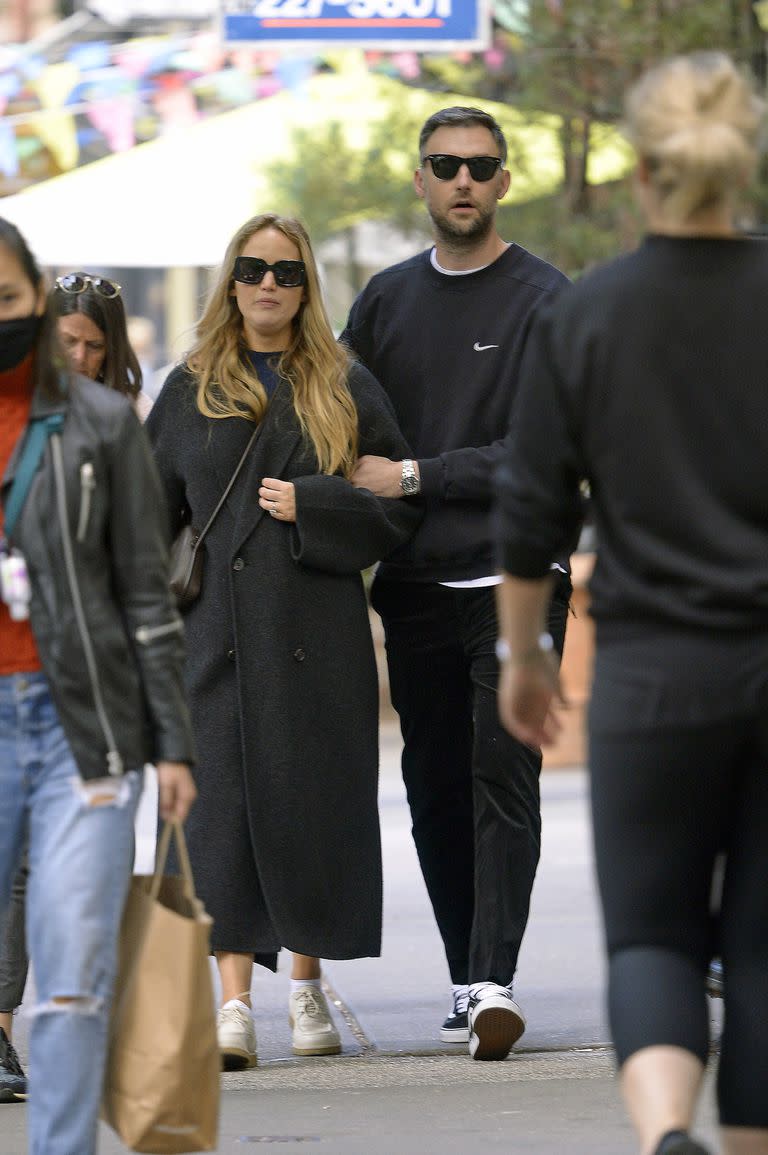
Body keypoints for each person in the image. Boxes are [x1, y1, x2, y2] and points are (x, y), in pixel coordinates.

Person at [495, 53, 768, 1155]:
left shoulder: (590, 314)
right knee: (761, 948)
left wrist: (525, 657)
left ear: (643, 173)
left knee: (651, 936)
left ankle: (666, 1136)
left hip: (653, 676)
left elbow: (530, 511)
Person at [145, 212, 420, 1068]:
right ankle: (233, 1004)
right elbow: (151, 519)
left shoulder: (346, 382)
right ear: (231, 280)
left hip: (315, 631)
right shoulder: (188, 386)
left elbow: (396, 507)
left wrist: (318, 505)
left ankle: (305, 984)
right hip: (217, 637)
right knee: (221, 817)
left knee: (313, 807)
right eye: (255, 268)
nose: (269, 283)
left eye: (287, 272)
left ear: (306, 289)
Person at [340, 106, 573, 1061]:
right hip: (415, 582)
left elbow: (546, 453)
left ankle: (494, 980)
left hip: (519, 575)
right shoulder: (386, 302)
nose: (464, 180)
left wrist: (420, 475)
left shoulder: (547, 298)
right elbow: (339, 426)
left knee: (502, 774)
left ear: (505, 181)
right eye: (446, 165)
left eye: (481, 165)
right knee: (434, 784)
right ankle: (464, 976)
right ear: (421, 181)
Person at [0, 216, 197, 1153]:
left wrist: (171, 741)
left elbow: (144, 590)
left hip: (81, 729)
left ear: (34, 301)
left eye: (5, 298)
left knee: (75, 968)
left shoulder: (102, 423)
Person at [52, 272, 153, 419]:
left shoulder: (136, 410)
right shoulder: (23, 399)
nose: (80, 356)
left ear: (112, 351)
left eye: (95, 345)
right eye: (68, 341)